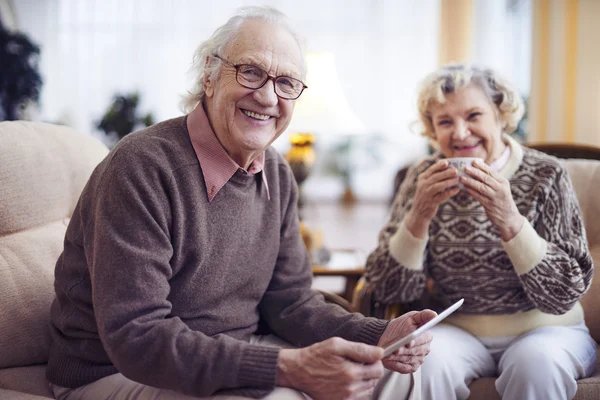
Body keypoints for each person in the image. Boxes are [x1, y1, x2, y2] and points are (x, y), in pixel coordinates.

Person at [46, 6, 436, 400]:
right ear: (209, 76)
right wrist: (286, 370)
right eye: (251, 72)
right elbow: (137, 336)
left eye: (286, 83)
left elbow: (291, 303)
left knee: (391, 372)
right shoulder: (141, 168)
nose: (267, 96)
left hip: (235, 349)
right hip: (111, 371)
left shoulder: (278, 174)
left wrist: (380, 335)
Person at [364, 64, 597, 400]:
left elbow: (563, 293)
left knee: (536, 364)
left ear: (501, 116)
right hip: (458, 331)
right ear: (432, 130)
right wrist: (419, 216)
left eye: (473, 115)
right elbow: (389, 288)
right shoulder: (421, 177)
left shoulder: (547, 174)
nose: (460, 133)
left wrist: (510, 220)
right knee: (419, 364)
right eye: (445, 122)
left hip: (548, 329)